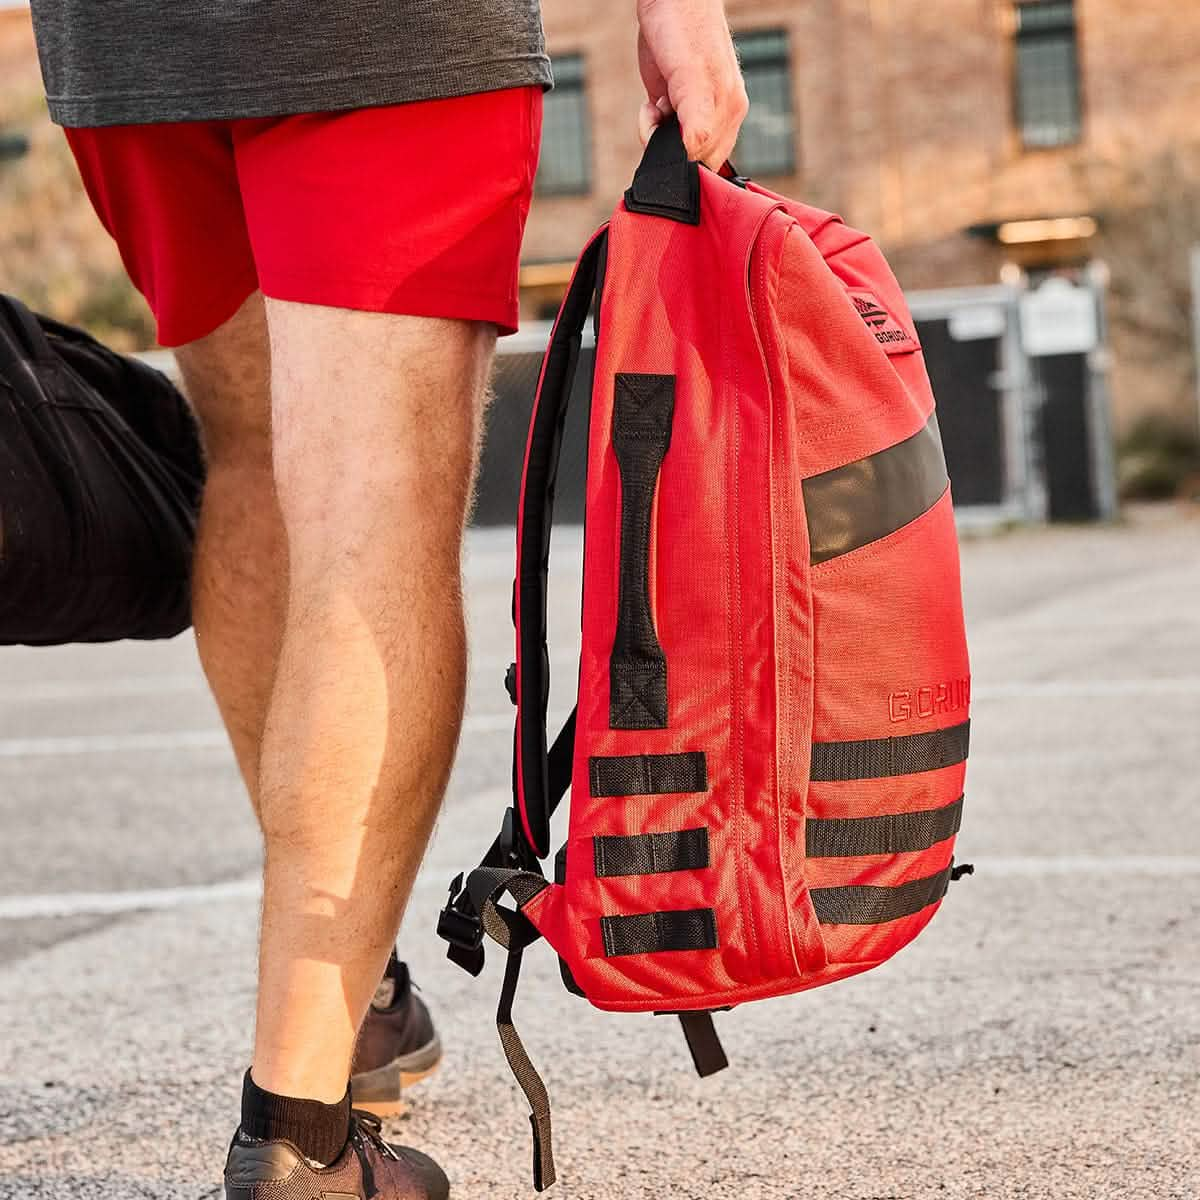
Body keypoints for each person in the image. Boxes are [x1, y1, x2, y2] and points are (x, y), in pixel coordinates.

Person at [25, 1, 748, 1195]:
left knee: (249, 456)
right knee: (376, 503)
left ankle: (354, 999)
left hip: (125, 39)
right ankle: (301, 1134)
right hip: (385, 31)